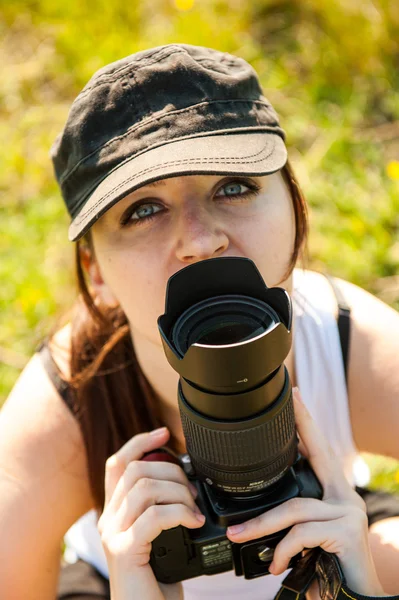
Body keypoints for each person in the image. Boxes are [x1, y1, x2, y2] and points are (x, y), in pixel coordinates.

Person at [1, 43, 399, 600]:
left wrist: (358, 585)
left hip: (324, 545)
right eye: (143, 210)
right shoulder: (67, 407)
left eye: (233, 187)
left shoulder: (343, 337)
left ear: (296, 211)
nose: (200, 241)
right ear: (94, 270)